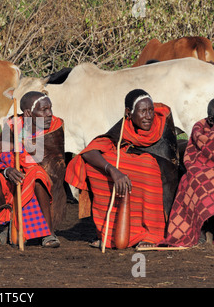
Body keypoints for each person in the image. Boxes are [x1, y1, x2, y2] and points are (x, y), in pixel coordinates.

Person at [65, 89, 180, 250]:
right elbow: (90, 151)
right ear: (129, 113)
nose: (149, 116)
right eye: (143, 111)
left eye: (150, 110)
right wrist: (113, 170)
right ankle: (110, 232)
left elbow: (170, 162)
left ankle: (151, 234)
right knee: (93, 165)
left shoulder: (161, 124)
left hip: (158, 173)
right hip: (127, 168)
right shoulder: (124, 128)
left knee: (147, 167)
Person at [0, 91, 65, 248]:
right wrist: (8, 170)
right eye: (44, 110)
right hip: (17, 175)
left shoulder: (55, 125)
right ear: (28, 113)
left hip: (45, 178)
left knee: (37, 174)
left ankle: (48, 232)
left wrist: (20, 149)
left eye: (50, 108)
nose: (49, 114)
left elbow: (51, 161)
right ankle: (7, 223)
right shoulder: (13, 123)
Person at [162, 99, 214, 247]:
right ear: (210, 119)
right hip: (201, 169)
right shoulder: (200, 131)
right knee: (192, 182)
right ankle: (202, 229)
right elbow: (194, 158)